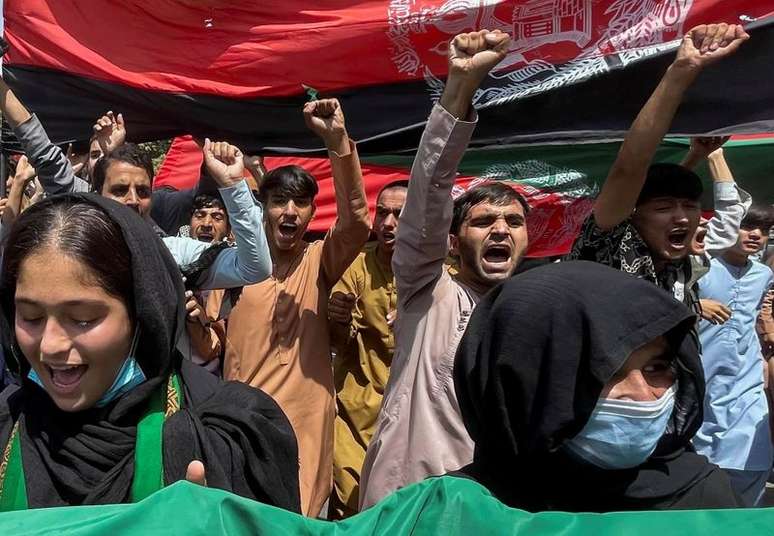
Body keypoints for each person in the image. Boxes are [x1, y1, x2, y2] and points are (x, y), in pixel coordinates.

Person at [0, 194, 300, 511]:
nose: (50, 345)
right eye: (31, 318)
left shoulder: (231, 437)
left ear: (142, 314)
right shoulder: (7, 427)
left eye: (83, 319)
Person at [359, 30, 529, 509]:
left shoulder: (529, 312)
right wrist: (459, 89)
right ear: (453, 242)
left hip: (491, 507)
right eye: (484, 221)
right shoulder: (427, 291)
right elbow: (429, 193)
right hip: (406, 502)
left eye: (513, 221)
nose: (500, 230)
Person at [454, 260, 740, 511]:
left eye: (656, 368)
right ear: (524, 383)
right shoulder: (457, 511)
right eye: (604, 372)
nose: (642, 396)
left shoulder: (705, 499)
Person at [223, 98, 370, 517]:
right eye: (279, 201)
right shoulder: (232, 267)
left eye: (300, 203)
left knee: (299, 521)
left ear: (310, 213)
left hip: (305, 422)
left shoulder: (320, 260)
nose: (289, 211)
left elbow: (358, 222)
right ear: (263, 210)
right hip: (241, 422)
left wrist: (337, 141)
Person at [0, 71, 271, 292]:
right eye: (119, 190)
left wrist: (234, 185)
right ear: (97, 193)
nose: (132, 200)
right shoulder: (74, 240)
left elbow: (255, 268)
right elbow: (41, 149)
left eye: (142, 191)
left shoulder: (171, 254)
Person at [568, 23, 749, 311]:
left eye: (690, 207)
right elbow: (631, 167)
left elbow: (665, 190)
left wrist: (695, 157)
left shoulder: (680, 270)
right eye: (664, 209)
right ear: (632, 213)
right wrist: (682, 72)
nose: (682, 218)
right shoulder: (610, 246)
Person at [327, 180, 408, 519]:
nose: (388, 223)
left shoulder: (441, 274)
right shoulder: (356, 266)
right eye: (383, 213)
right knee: (350, 501)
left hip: (410, 413)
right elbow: (337, 342)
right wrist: (340, 319)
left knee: (401, 509)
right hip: (356, 410)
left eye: (399, 215)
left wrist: (419, 312)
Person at [693, 204, 774, 507]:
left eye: (764, 230)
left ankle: (746, 518)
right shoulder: (699, 267)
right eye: (747, 226)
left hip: (746, 377)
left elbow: (754, 317)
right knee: (703, 452)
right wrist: (696, 307)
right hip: (702, 374)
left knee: (753, 454)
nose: (755, 235)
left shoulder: (764, 274)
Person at [180, 193, 232, 375]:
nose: (207, 224)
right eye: (200, 215)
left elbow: (218, 344)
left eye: (217, 217)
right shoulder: (171, 258)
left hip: (209, 377)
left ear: (228, 229)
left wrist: (198, 319)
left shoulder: (234, 276)